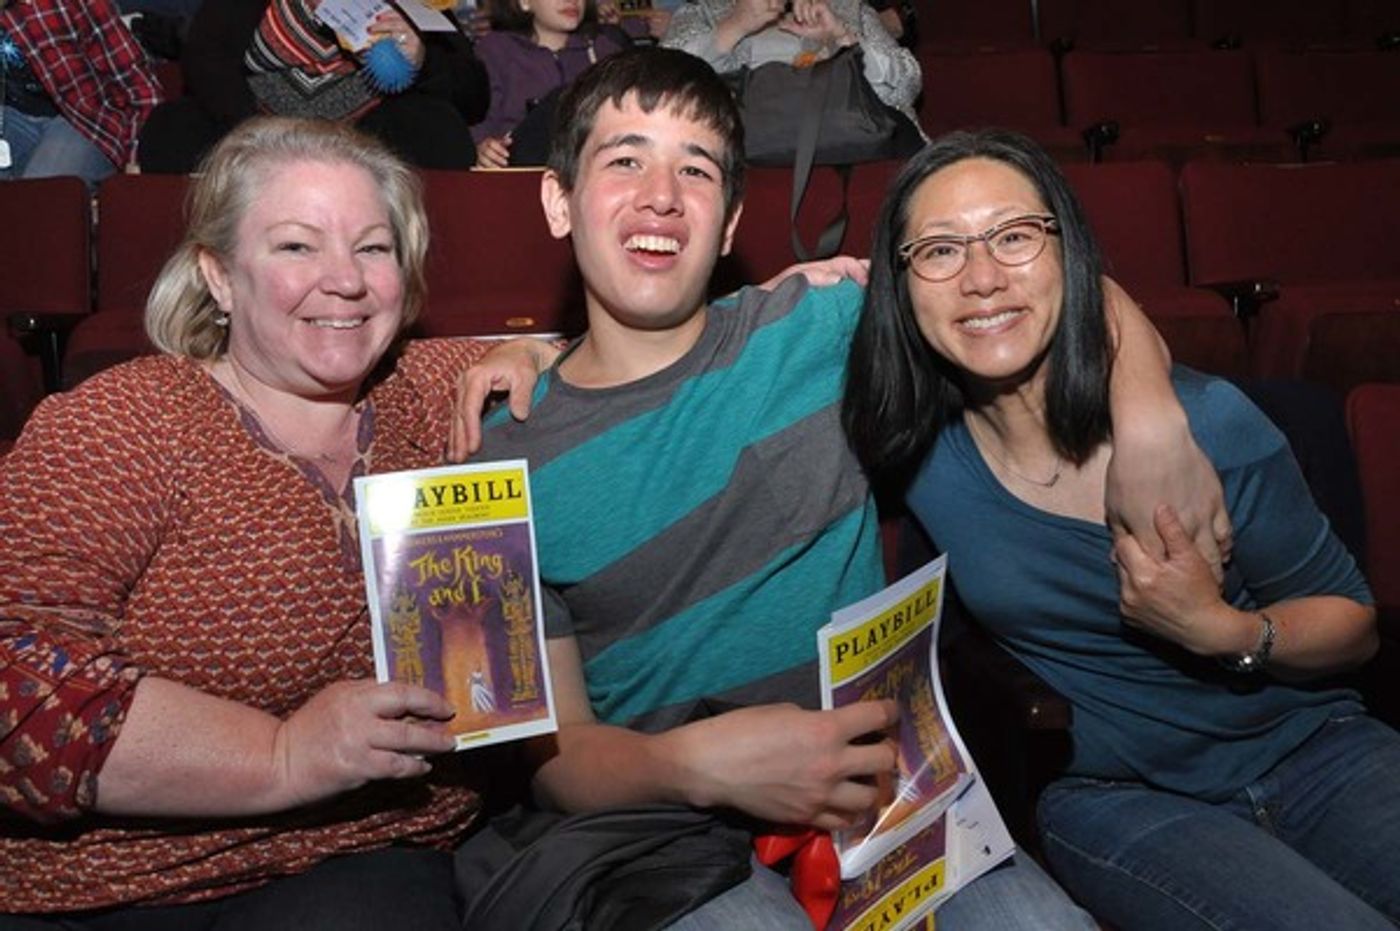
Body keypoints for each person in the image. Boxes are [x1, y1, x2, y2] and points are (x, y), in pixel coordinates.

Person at [465, 48, 1227, 928]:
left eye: (696, 168)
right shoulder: (490, 472)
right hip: (664, 839)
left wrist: (1150, 420)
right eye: (624, 159)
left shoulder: (823, 327)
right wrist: (696, 764)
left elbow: (1036, 293)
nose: (661, 194)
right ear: (559, 201)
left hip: (888, 799)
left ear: (730, 219)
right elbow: (553, 762)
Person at [841, 128, 1400, 931]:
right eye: (938, 249)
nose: (982, 276)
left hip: (1317, 752)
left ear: (1067, 252)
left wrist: (1222, 628)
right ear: (901, 285)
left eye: (1014, 235)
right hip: (1116, 798)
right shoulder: (917, 445)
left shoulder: (1211, 427)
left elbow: (1355, 629)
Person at [0, 116, 503, 926]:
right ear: (219, 276)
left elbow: (621, 367)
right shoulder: (126, 423)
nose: (344, 279)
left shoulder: (438, 393)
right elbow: (15, 686)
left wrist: (536, 358)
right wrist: (282, 757)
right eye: (297, 246)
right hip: (120, 888)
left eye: (373, 248)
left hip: (382, 865)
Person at [136, 0, 489, 174]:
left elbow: (475, 96)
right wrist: (257, 130)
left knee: (438, 130)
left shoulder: (413, 3)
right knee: (173, 129)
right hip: (257, 127)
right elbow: (204, 58)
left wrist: (422, 60)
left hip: (366, 138)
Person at [661, 0, 921, 127]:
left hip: (854, 155)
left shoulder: (850, 10)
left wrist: (844, 40)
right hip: (744, 160)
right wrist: (734, 26)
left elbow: (906, 87)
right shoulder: (703, 12)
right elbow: (662, 86)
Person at [0, 0, 162, 189]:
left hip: (82, 121)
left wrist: (136, 158)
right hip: (10, 117)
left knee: (40, 198)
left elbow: (139, 84)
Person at [471, 0, 631, 169]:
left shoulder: (605, 52)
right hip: (520, 174)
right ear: (524, 2)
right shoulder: (496, 52)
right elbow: (479, 125)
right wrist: (483, 149)